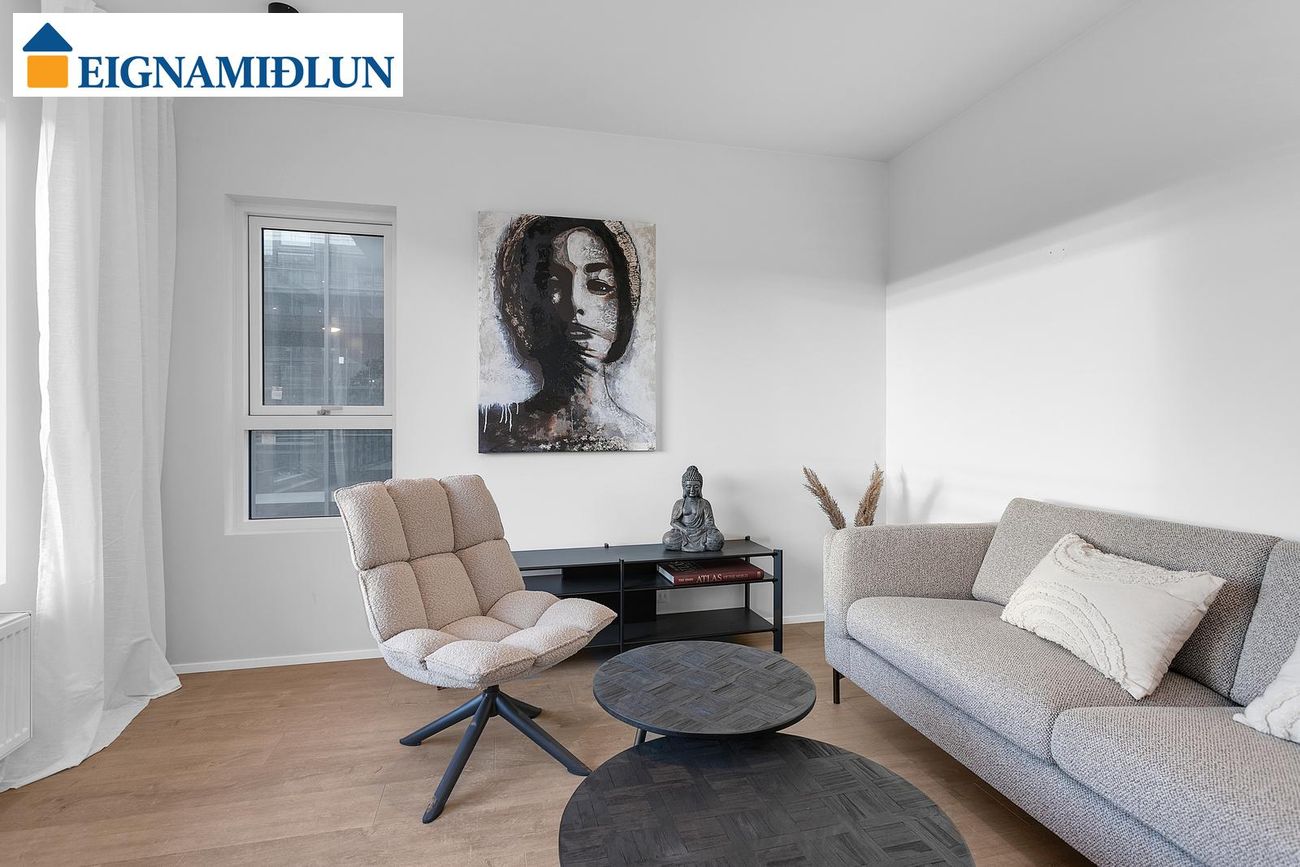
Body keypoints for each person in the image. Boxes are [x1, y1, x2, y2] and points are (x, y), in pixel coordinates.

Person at [480, 215, 653, 452]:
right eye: (554, 285)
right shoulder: (493, 430)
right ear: (526, 304)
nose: (575, 302)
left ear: (623, 307)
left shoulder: (641, 438)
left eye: (599, 285)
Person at [663, 465, 725, 552]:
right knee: (667, 539)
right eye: (688, 487)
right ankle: (685, 542)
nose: (692, 490)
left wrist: (700, 530)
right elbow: (674, 521)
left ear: (700, 487)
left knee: (718, 539)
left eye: (696, 487)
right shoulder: (679, 503)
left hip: (701, 533)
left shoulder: (705, 503)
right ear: (684, 487)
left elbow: (709, 522)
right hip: (684, 533)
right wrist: (684, 529)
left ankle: (702, 543)